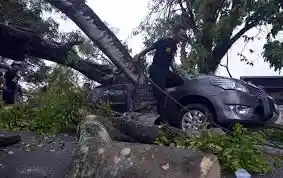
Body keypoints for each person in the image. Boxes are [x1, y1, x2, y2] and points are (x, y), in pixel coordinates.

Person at [134, 25, 187, 126]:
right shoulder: (163, 41)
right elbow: (149, 48)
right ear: (175, 33)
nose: (182, 38)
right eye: (181, 35)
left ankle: (158, 88)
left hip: (165, 71)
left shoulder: (174, 46)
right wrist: (138, 56)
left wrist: (175, 68)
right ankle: (163, 121)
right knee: (162, 97)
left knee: (180, 81)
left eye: (184, 36)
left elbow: (169, 59)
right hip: (156, 70)